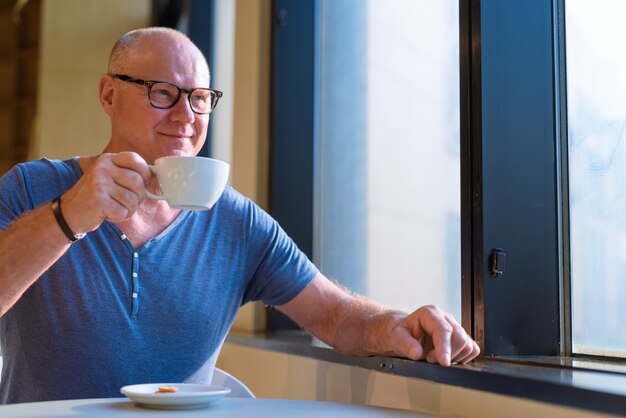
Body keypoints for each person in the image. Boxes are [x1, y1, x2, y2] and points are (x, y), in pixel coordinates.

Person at [0, 27, 479, 404]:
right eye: (163, 92)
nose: (186, 115)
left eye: (200, 97)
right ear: (109, 95)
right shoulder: (31, 188)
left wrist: (398, 324)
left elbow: (333, 315)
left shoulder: (237, 222)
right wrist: (68, 216)